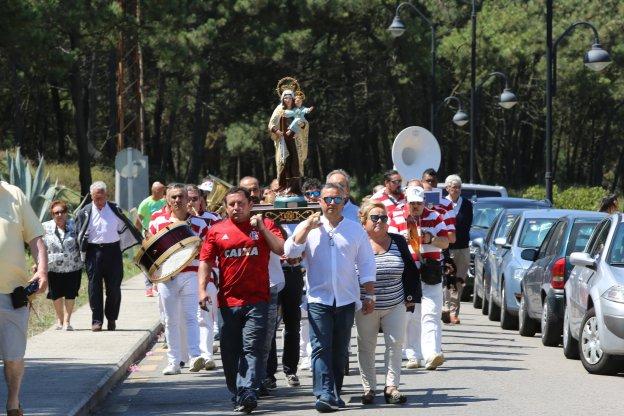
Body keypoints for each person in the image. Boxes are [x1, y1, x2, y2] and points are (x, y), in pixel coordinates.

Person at [285, 183, 376, 412]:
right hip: (318, 299)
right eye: (326, 199)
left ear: (345, 201)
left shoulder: (355, 229)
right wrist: (305, 227)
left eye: (336, 199)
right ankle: (323, 393)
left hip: (346, 298)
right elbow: (291, 253)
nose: (331, 204)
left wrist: (370, 293)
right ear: (319, 201)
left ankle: (333, 391)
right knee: (320, 347)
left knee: (339, 350)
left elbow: (366, 263)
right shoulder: (310, 227)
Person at [198, 187, 284, 414]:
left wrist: (263, 228)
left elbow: (280, 248)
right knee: (229, 350)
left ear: (250, 204)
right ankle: (237, 391)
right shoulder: (216, 231)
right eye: (232, 204)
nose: (236, 208)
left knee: (253, 348)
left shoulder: (265, 226)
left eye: (241, 203)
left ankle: (247, 390)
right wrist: (202, 291)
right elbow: (205, 262)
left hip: (258, 299)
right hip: (227, 301)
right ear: (226, 208)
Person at [356, 201, 420, 405]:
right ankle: (369, 388)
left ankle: (391, 387)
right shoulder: (357, 242)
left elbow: (410, 270)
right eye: (374, 218)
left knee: (395, 345)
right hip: (365, 305)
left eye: (384, 218)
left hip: (395, 303)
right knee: (366, 346)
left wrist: (410, 299)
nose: (380, 222)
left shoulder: (398, 241)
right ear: (363, 220)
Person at [148, 183, 207, 375]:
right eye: (173, 197)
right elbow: (151, 251)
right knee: (170, 320)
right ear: (167, 199)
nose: (177, 200)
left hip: (191, 274)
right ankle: (173, 362)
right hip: (167, 277)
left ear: (187, 198)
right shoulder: (157, 223)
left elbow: (206, 251)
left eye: (181, 196)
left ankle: (195, 356)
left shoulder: (199, 223)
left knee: (192, 317)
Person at [0, 181, 48, 416]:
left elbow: (36, 238)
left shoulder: (14, 194)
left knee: (14, 357)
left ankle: (13, 401)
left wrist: (42, 270)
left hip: (13, 293)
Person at [76, 181, 142, 331]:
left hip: (113, 252)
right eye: (95, 198)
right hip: (93, 252)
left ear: (106, 195)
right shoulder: (85, 212)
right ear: (91, 197)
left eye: (101, 197)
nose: (98, 201)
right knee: (94, 288)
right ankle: (97, 320)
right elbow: (78, 234)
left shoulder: (114, 209)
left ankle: (111, 318)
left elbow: (125, 227)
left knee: (114, 288)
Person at [402, 186, 449, 371]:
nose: (415, 207)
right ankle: (413, 355)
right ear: (407, 202)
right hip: (408, 271)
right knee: (411, 315)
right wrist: (401, 238)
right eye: (412, 203)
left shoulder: (435, 217)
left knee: (431, 312)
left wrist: (431, 239)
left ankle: (432, 353)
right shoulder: (399, 217)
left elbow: (445, 242)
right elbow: (387, 239)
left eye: (418, 203)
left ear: (424, 202)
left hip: (430, 270)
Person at [187, 184, 221, 370]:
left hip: (208, 271)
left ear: (201, 200)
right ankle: (191, 354)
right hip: (183, 273)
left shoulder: (213, 219)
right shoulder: (178, 220)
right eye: (188, 199)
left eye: (194, 199)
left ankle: (207, 356)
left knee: (205, 315)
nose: (191, 203)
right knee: (187, 317)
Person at [42, 200, 83, 331]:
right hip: (53, 267)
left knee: (71, 294)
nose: (59, 215)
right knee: (56, 294)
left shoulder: (75, 225)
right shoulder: (44, 227)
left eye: (62, 212)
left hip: (73, 266)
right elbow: (40, 247)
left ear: (66, 213)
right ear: (52, 214)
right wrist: (38, 264)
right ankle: (59, 320)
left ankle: (67, 321)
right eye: (56, 213)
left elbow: (82, 242)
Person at [444, 175, 473, 324]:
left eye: (458, 187)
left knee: (459, 279)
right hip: (446, 248)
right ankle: (446, 308)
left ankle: (454, 312)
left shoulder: (467, 204)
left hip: (462, 248)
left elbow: (466, 225)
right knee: (447, 279)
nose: (456, 190)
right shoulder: (442, 204)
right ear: (447, 188)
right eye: (453, 187)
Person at [269, 86, 305, 192]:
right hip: (283, 140)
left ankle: (296, 187)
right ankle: (286, 185)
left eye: (290, 98)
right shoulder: (279, 109)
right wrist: (277, 131)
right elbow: (271, 124)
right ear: (282, 99)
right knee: (285, 162)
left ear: (293, 99)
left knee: (295, 162)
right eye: (285, 98)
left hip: (294, 139)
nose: (288, 100)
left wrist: (301, 124)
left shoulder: (297, 110)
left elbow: (304, 124)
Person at [135, 182, 166, 297]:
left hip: (163, 236)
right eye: (161, 190)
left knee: (161, 261)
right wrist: (138, 238)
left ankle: (158, 284)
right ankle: (149, 287)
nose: (163, 192)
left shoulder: (165, 201)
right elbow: (138, 222)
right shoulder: (146, 203)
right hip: (148, 237)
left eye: (164, 190)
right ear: (155, 191)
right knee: (149, 262)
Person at [370, 170, 406, 234]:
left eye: (400, 181)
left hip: (405, 234)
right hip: (387, 236)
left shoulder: (406, 197)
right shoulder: (377, 200)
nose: (399, 184)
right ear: (386, 183)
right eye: (395, 182)